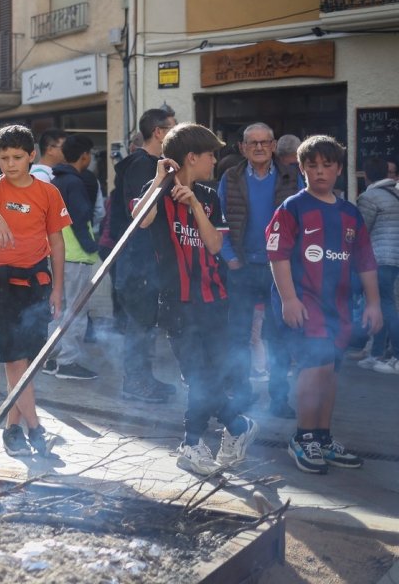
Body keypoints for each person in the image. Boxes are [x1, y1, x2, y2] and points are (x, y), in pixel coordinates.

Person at [140, 122, 258, 476]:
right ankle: (232, 428)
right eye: (211, 154)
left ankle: (197, 441)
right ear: (192, 157)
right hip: (177, 301)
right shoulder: (157, 191)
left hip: (214, 299)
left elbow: (215, 245)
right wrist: (160, 180)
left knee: (209, 376)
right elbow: (140, 221)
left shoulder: (208, 196)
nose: (214, 161)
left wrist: (193, 205)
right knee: (198, 375)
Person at [267, 135, 382, 474]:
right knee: (313, 367)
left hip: (339, 307)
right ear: (301, 169)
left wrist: (374, 303)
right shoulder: (291, 208)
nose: (319, 172)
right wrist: (289, 299)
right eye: (312, 165)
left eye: (327, 165)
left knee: (329, 371)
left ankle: (323, 436)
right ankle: (303, 438)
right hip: (304, 303)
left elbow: (365, 260)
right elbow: (278, 255)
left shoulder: (350, 213)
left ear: (339, 170)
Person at [0, 125, 69, 457]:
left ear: (32, 156)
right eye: (3, 157)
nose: (10, 164)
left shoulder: (48, 193)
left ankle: (12, 429)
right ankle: (36, 428)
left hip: (36, 282)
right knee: (13, 359)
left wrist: (58, 289)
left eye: (17, 157)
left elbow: (57, 242)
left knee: (28, 361)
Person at [216, 122, 300, 418]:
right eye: (253, 143)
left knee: (279, 335)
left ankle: (279, 398)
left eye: (265, 142)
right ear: (242, 148)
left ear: (274, 145)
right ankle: (241, 394)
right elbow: (220, 219)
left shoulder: (292, 176)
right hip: (242, 267)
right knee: (238, 334)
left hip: (279, 268)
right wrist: (229, 258)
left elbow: (301, 221)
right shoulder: (231, 177)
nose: (260, 147)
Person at [110, 107, 178, 403]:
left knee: (147, 324)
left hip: (151, 261)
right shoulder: (142, 165)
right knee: (139, 326)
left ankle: (144, 378)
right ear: (159, 132)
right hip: (137, 262)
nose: (177, 132)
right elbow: (138, 214)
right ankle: (134, 383)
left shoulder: (158, 164)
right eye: (173, 127)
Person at [48, 134, 100, 381]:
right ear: (84, 156)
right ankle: (67, 362)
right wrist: (92, 246)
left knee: (59, 309)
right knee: (76, 311)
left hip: (58, 255)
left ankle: (51, 358)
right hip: (75, 255)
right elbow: (80, 218)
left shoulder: (56, 181)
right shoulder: (75, 183)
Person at [357, 156, 399, 372]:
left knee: (386, 307)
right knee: (383, 306)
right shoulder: (396, 193)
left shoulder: (369, 197)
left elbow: (359, 233)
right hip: (395, 259)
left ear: (366, 175)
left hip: (380, 258)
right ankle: (377, 355)